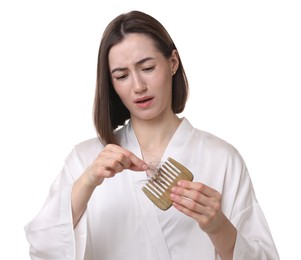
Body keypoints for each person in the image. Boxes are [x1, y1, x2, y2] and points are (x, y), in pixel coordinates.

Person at [25, 10, 279, 260]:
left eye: (147, 67)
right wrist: (88, 180)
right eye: (122, 76)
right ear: (111, 84)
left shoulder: (222, 158)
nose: (138, 86)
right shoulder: (84, 159)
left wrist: (218, 227)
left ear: (173, 63)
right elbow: (42, 248)